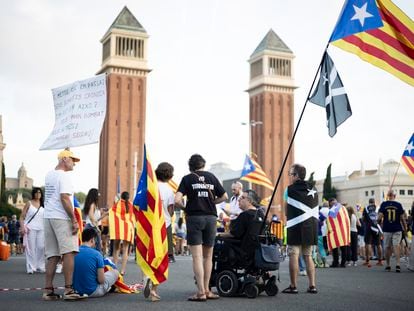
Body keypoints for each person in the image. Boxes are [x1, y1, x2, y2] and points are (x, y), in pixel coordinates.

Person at [174, 154, 227, 302]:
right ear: (203, 164)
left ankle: (201, 292)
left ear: (190, 166)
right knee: (208, 256)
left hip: (194, 218)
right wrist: (211, 201)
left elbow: (177, 200)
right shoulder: (212, 177)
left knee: (197, 256)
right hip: (211, 218)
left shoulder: (187, 178)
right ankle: (208, 290)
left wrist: (185, 207)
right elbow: (224, 196)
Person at [43, 148, 86, 300]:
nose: (74, 164)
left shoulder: (49, 175)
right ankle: (69, 290)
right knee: (69, 252)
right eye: (72, 160)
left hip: (48, 217)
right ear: (64, 159)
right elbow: (65, 198)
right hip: (61, 217)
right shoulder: (64, 177)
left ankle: (48, 290)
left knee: (53, 255)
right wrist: (74, 219)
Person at [282, 164, 319, 294]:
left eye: (291, 174)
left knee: (294, 255)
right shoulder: (313, 188)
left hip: (295, 226)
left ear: (296, 175)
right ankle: (312, 285)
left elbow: (286, 210)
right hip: (310, 227)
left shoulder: (289, 189)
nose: (290, 177)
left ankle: (293, 285)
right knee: (308, 256)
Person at [73, 227, 118, 297]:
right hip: (93, 292)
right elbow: (101, 280)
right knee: (115, 272)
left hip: (75, 291)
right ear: (92, 240)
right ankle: (108, 288)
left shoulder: (73, 252)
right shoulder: (97, 254)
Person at [378, 190, 407, 273]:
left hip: (387, 228)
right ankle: (398, 264)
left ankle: (388, 265)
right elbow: (402, 218)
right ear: (395, 196)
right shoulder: (398, 205)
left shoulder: (384, 204)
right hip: (397, 228)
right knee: (396, 246)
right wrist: (405, 228)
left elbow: (380, 217)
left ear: (388, 196)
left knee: (387, 247)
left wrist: (378, 221)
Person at [19, 187, 45, 274]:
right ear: (33, 193)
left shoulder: (44, 204)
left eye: (39, 192)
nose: (38, 194)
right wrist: (22, 227)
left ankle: (40, 266)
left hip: (42, 229)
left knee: (41, 247)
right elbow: (22, 217)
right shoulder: (29, 203)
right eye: (36, 192)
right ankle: (31, 267)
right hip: (31, 228)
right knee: (31, 248)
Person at [110, 191, 135, 276]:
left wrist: (98, 219)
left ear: (121, 197)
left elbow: (110, 212)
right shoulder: (131, 205)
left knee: (116, 247)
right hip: (128, 229)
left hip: (119, 228)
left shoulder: (118, 204)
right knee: (125, 250)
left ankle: (114, 267)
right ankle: (123, 270)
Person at [155, 162, 176, 264]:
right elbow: (171, 211)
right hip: (164, 223)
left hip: (150, 223)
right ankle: (170, 255)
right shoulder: (169, 190)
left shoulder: (149, 187)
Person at [327, 198, 350, 268]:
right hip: (344, 230)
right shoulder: (343, 208)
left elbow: (329, 222)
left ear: (330, 203)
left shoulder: (331, 211)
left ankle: (335, 262)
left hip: (335, 232)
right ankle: (343, 263)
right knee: (344, 248)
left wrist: (330, 231)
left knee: (335, 248)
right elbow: (347, 219)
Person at [362, 198, 383, 267]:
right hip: (377, 227)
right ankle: (380, 261)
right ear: (374, 202)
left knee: (368, 244)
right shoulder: (378, 208)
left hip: (368, 227)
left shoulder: (366, 208)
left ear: (369, 202)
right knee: (378, 244)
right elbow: (381, 217)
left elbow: (363, 219)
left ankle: (367, 261)